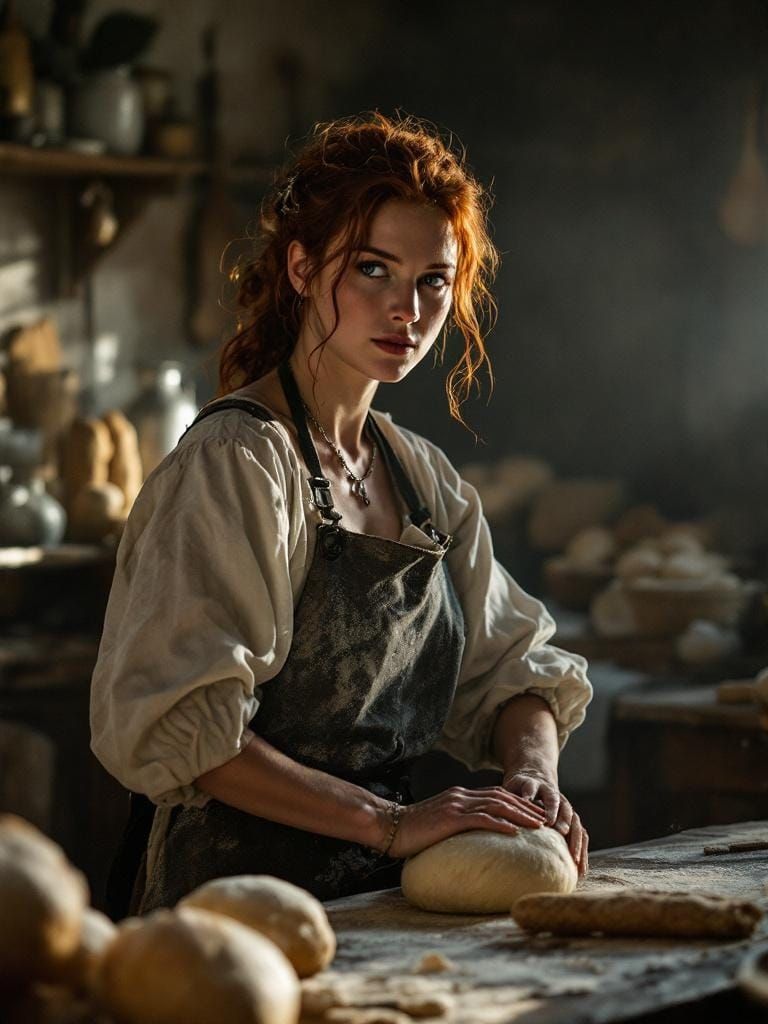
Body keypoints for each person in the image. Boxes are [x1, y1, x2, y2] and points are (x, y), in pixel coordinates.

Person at [90, 112, 592, 916]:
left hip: (379, 902)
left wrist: (533, 774)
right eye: (372, 269)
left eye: (433, 280)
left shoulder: (420, 476)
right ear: (299, 266)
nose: (409, 309)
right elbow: (189, 726)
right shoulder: (240, 464)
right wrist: (392, 823)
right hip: (235, 903)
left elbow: (513, 666)